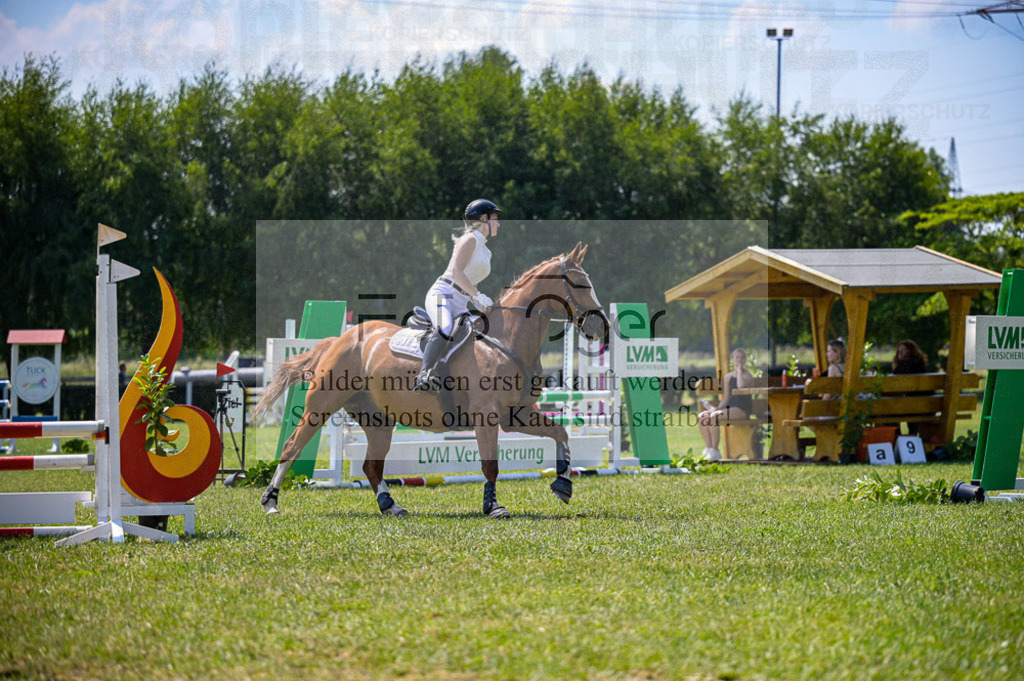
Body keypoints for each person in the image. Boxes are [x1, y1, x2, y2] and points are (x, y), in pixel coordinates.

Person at [413, 199, 501, 392]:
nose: (498, 224)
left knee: (477, 333)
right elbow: (456, 272)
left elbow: (471, 280)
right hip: (442, 294)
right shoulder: (469, 239)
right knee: (444, 327)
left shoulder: (487, 252)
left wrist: (477, 301)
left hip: (460, 303)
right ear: (484, 219)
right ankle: (424, 375)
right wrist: (477, 295)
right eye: (495, 218)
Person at [698, 348, 754, 461]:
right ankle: (709, 449)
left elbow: (740, 386)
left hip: (742, 409)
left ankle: (715, 451)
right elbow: (726, 398)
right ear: (733, 359)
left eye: (742, 357)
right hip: (730, 408)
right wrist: (717, 408)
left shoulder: (748, 375)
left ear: (745, 360)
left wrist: (739, 371)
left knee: (714, 417)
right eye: (737, 357)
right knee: (702, 416)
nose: (739, 359)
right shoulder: (728, 377)